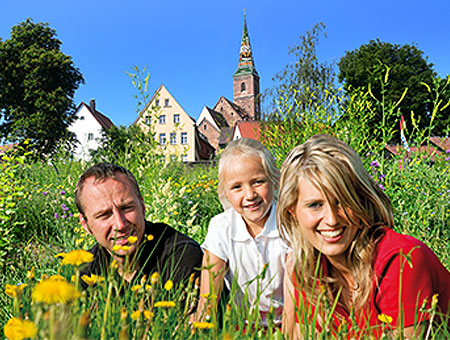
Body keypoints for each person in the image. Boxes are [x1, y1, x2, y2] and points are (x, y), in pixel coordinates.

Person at [277, 134, 450, 339]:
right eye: (315, 205)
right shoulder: (309, 266)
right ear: (292, 211)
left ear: (362, 200)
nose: (332, 219)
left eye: (343, 201)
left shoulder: (400, 261)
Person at [197, 138, 289, 326]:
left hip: (286, 322)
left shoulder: (289, 224)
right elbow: (208, 299)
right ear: (225, 192)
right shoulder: (221, 227)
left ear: (274, 181)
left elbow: (298, 300)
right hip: (242, 324)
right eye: (237, 187)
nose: (249, 195)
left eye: (258, 182)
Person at [74, 163, 203, 289]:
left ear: (142, 206)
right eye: (104, 215)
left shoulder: (181, 257)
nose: (120, 224)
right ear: (85, 224)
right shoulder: (82, 271)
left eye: (127, 208)